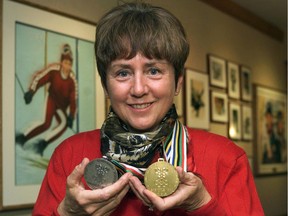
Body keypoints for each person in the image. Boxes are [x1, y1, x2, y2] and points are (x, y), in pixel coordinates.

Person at [33, 3, 264, 215]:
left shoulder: (225, 158)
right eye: (123, 73)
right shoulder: (69, 156)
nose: (139, 89)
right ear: (105, 85)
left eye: (153, 70)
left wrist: (201, 204)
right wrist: (66, 213)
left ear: (178, 82)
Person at [16, 44, 77, 156]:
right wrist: (31, 92)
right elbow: (40, 79)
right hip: (52, 99)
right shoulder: (54, 71)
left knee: (63, 125)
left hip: (61, 106)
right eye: (65, 63)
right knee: (46, 124)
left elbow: (74, 99)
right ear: (61, 62)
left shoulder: (72, 80)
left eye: (69, 64)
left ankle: (41, 144)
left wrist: (71, 116)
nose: (67, 66)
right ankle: (23, 138)